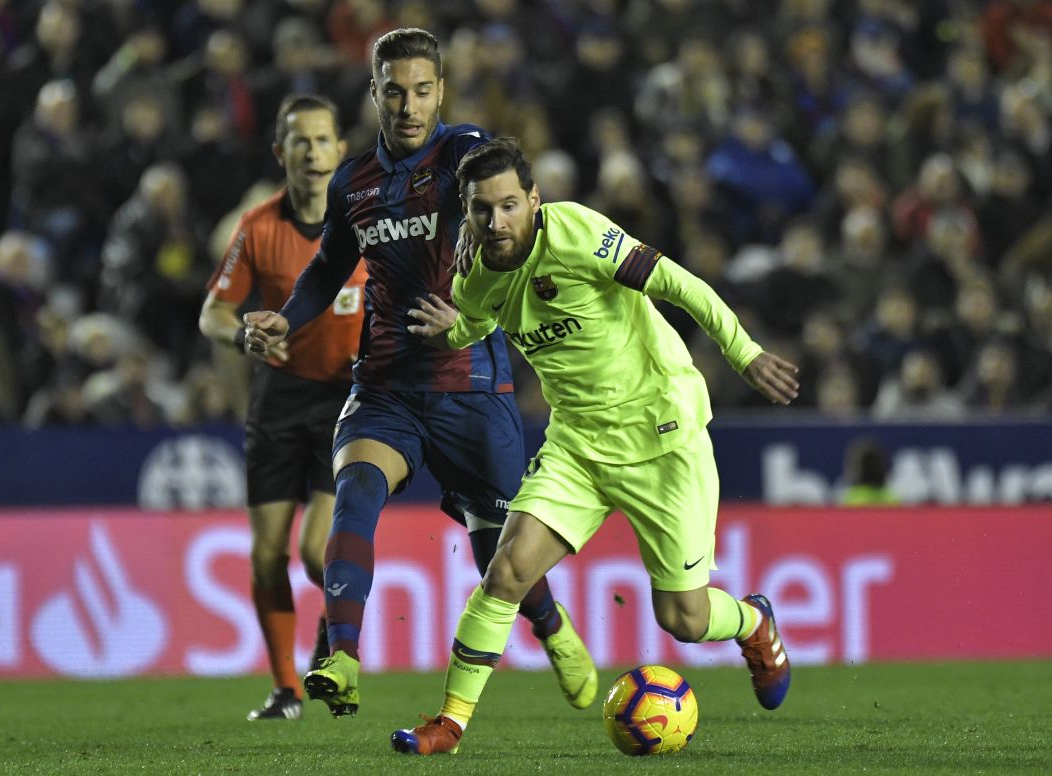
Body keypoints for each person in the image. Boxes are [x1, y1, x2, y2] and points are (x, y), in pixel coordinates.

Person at [392, 138, 801, 755]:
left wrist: (743, 352)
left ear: (534, 199)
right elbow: (477, 321)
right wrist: (455, 328)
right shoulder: (474, 274)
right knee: (505, 572)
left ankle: (754, 621)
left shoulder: (578, 233)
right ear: (468, 211)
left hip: (662, 439)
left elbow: (678, 283)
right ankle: (449, 724)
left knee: (684, 620)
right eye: (483, 210)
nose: (497, 221)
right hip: (577, 446)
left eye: (509, 205)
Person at [242, 29, 595, 718]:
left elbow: (506, 195)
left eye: (423, 90)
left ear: (441, 91)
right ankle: (340, 655)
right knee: (356, 489)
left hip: (471, 384)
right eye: (395, 91)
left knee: (501, 552)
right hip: (384, 385)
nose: (409, 105)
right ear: (374, 92)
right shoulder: (353, 184)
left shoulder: (462, 154)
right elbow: (327, 267)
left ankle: (554, 631)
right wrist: (288, 316)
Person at [199, 94, 366, 721]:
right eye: (301, 141)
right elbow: (212, 311)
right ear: (281, 153)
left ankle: (337, 646)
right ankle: (286, 690)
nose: (314, 152)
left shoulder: (364, 226)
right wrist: (242, 331)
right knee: (268, 554)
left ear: (340, 151)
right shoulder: (258, 227)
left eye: (324, 140)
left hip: (347, 401)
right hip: (278, 399)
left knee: (318, 552)